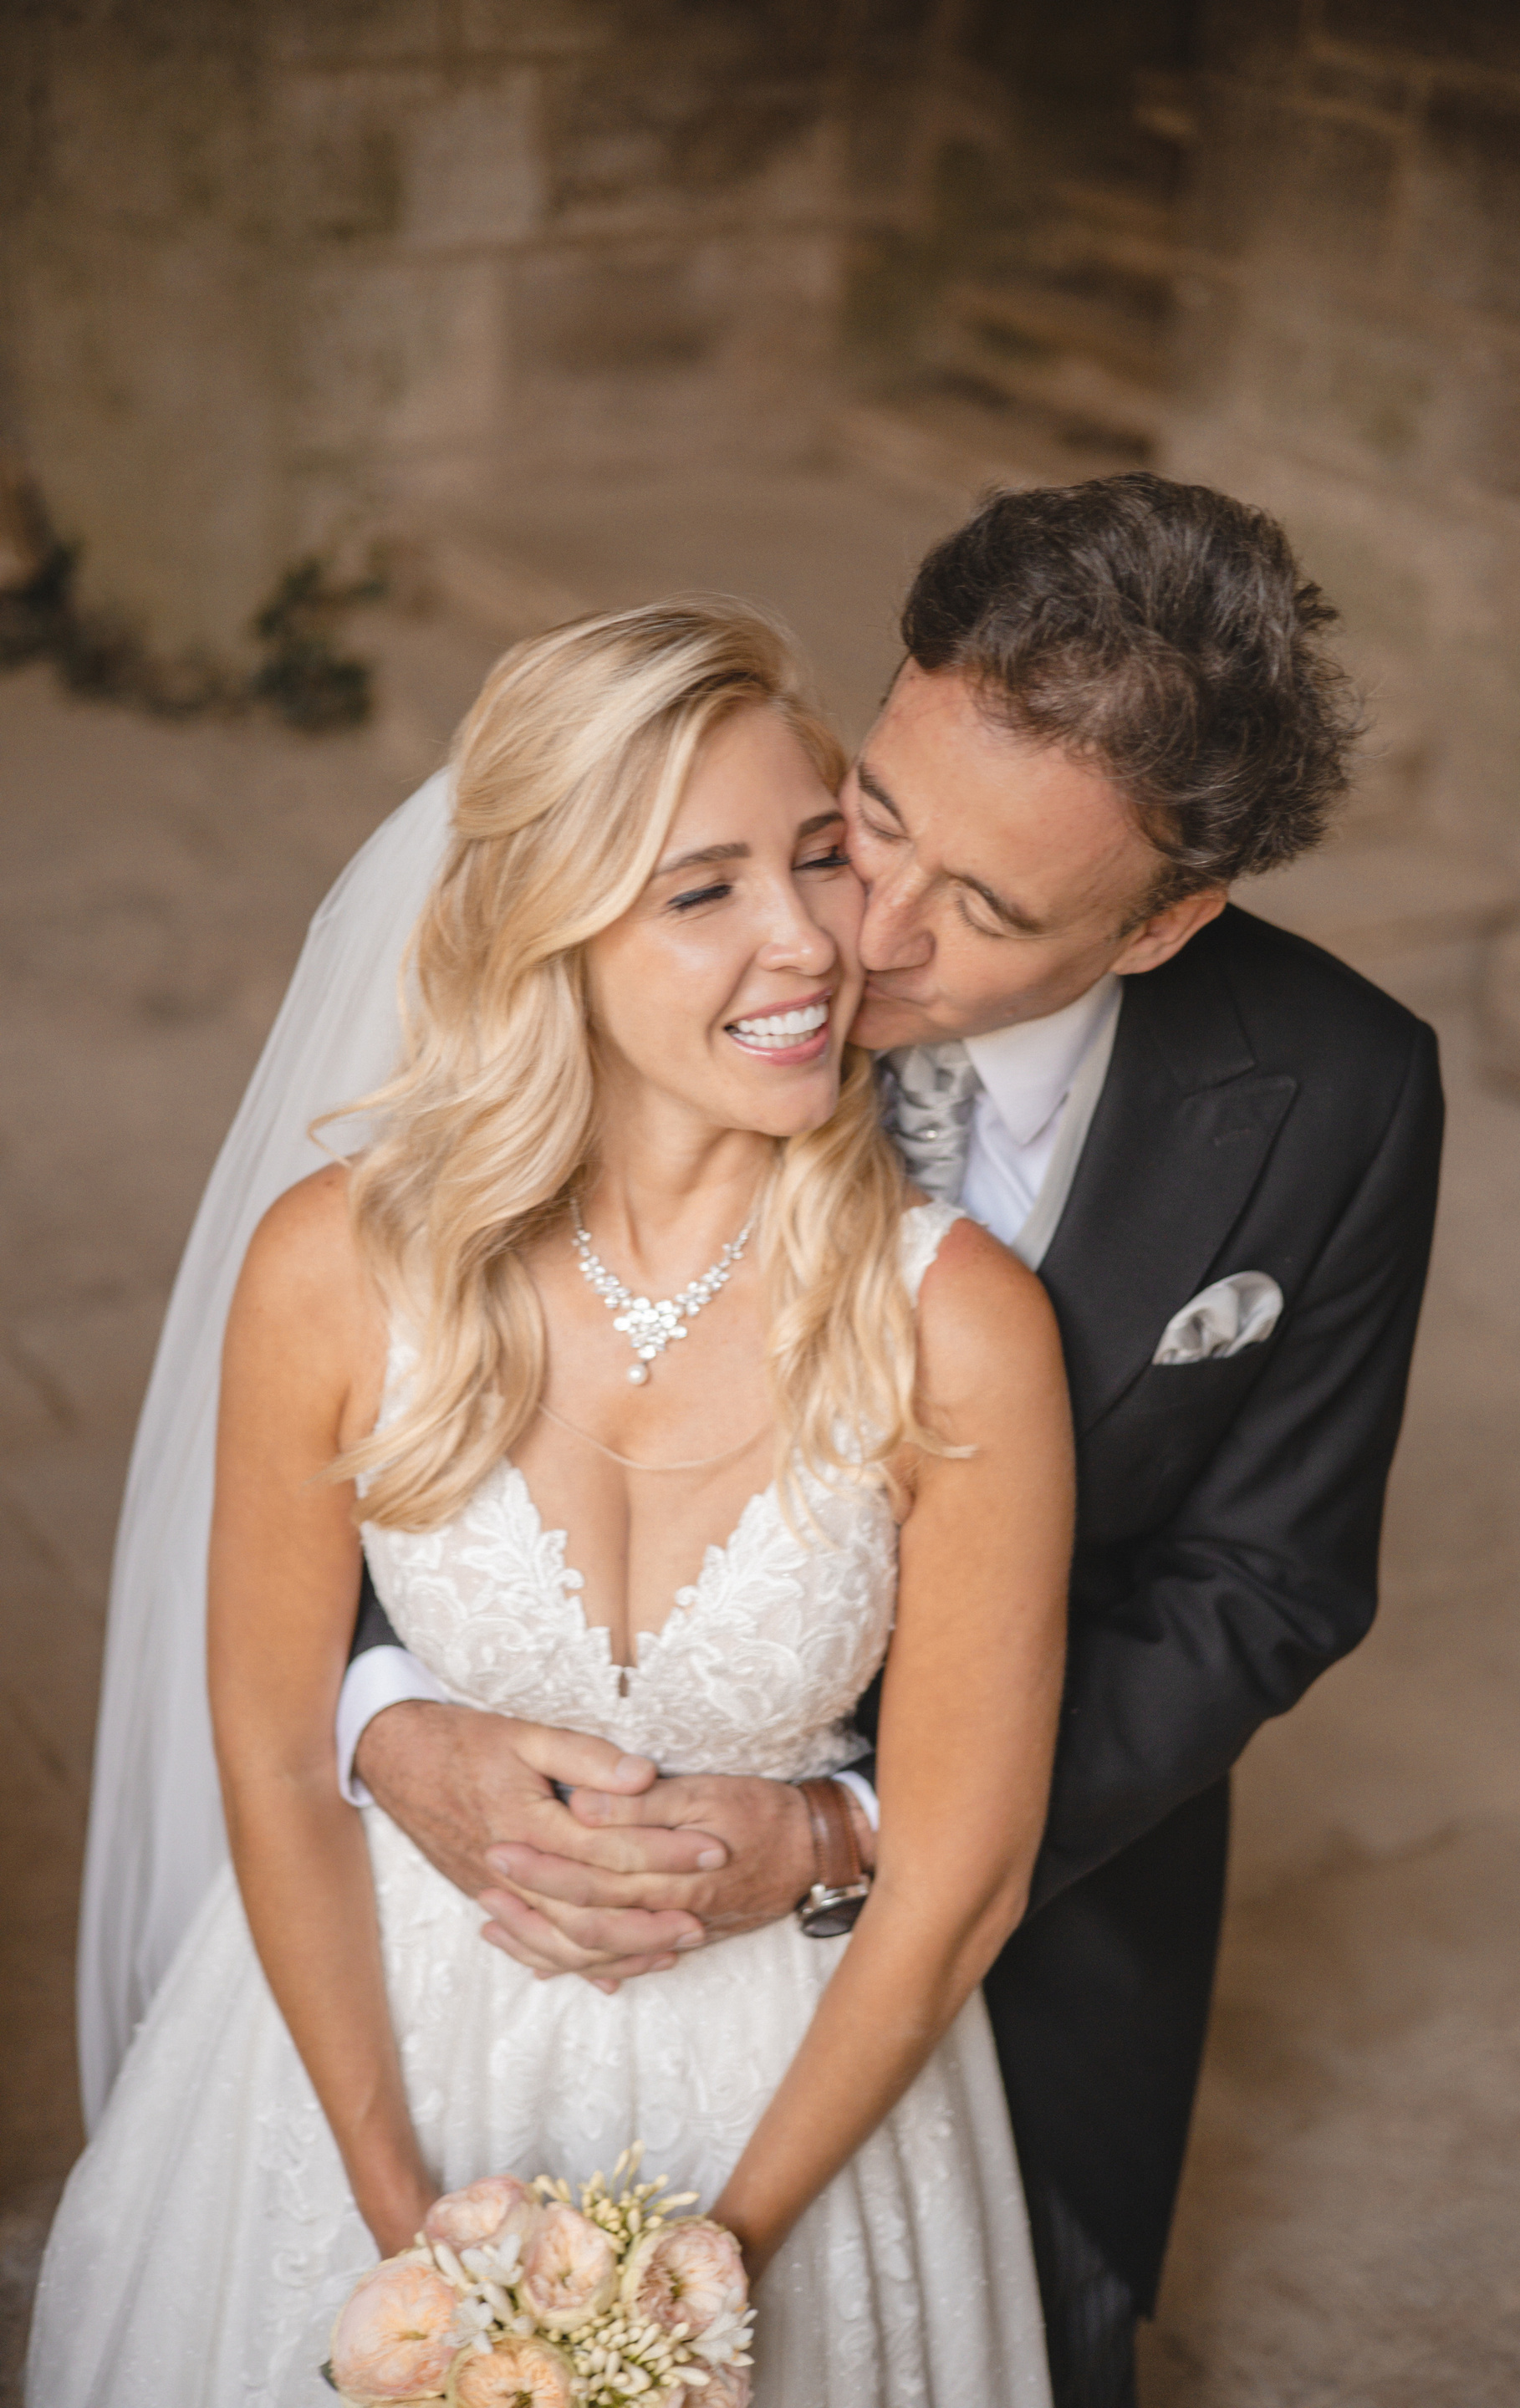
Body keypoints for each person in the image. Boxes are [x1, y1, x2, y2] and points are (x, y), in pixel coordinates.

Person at [339, 478, 1446, 2405]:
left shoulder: (1344, 1093)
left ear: (1168, 922)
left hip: (1038, 1941)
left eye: (989, 911)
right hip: (513, 1903)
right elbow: (393, 1356)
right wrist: (383, 1718)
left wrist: (866, 1832)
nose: (864, 931)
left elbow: (1264, 1582)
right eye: (880, 818)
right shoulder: (657, 934)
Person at [28, 601, 1072, 2405]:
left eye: (820, 857)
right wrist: (417, 2251)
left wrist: (700, 2282)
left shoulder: (959, 1323)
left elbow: (963, 1881)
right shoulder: (334, 1270)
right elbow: (272, 1756)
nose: (811, 940)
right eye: (702, 891)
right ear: (548, 932)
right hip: (368, 2045)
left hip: (798, 2088)